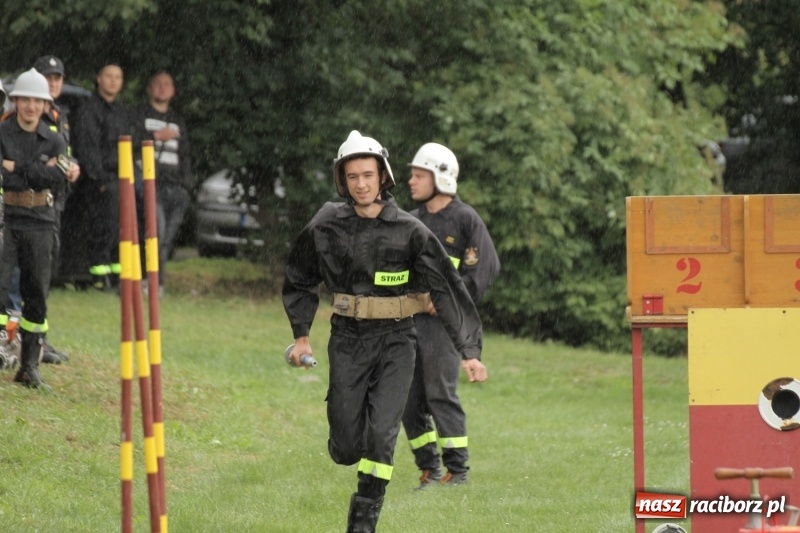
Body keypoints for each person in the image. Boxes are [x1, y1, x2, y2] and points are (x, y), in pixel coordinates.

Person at [282, 130, 485, 533]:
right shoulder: (326, 223)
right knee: (345, 447)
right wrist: (301, 336)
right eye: (352, 176)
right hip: (346, 340)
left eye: (368, 175)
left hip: (397, 341)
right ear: (342, 180)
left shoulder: (411, 230)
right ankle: (351, 445)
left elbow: (447, 287)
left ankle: (363, 524)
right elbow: (299, 276)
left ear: (383, 176)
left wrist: (469, 351)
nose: (361, 184)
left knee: (382, 435)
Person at [402, 142, 500, 489]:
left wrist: (448, 299)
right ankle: (428, 468)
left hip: (444, 325)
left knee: (439, 392)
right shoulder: (411, 221)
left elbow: (485, 269)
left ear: (441, 177)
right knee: (408, 399)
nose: (411, 181)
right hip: (408, 321)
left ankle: (457, 471)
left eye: (419, 175)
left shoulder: (465, 220)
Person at [0, 68, 78, 389]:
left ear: (46, 105)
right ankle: (3, 346)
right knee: (0, 286)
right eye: (25, 100)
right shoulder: (2, 133)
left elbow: (57, 176)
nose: (31, 106)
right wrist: (34, 171)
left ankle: (29, 366)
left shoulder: (56, 138)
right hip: (8, 218)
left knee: (36, 292)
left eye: (37, 101)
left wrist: (15, 167)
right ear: (15, 101)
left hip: (41, 221)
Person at [33, 55, 80, 363]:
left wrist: (71, 166)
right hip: (35, 201)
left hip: (57, 200)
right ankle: (30, 339)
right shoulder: (31, 114)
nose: (53, 83)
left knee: (47, 268)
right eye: (47, 77)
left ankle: (40, 337)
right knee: (34, 271)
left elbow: (63, 153)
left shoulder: (59, 115)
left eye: (57, 78)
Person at [132, 70, 193, 296]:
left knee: (166, 239)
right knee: (154, 232)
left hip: (177, 188)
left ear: (173, 91)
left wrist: (186, 186)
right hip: (151, 185)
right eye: (157, 83)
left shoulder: (178, 121)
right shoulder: (139, 114)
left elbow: (185, 155)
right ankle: (147, 280)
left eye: (167, 84)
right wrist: (156, 137)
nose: (162, 88)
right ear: (149, 88)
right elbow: (129, 144)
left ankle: (158, 283)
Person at [72, 62, 129, 291]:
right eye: (109, 76)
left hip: (121, 180)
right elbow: (87, 149)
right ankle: (98, 278)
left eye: (118, 77)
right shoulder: (89, 110)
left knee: (119, 230)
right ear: (99, 79)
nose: (113, 81)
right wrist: (100, 181)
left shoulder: (122, 112)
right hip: (98, 182)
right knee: (102, 229)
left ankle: (116, 276)